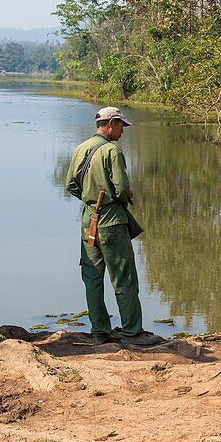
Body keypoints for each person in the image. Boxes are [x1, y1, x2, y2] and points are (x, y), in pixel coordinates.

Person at [65, 106, 162, 347]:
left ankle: (100, 332)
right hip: (111, 222)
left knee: (92, 278)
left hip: (89, 220)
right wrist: (115, 199)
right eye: (120, 126)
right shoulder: (112, 151)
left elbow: (70, 185)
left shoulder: (80, 148)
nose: (122, 131)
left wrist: (90, 201)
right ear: (111, 124)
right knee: (124, 278)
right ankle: (132, 333)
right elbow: (121, 189)